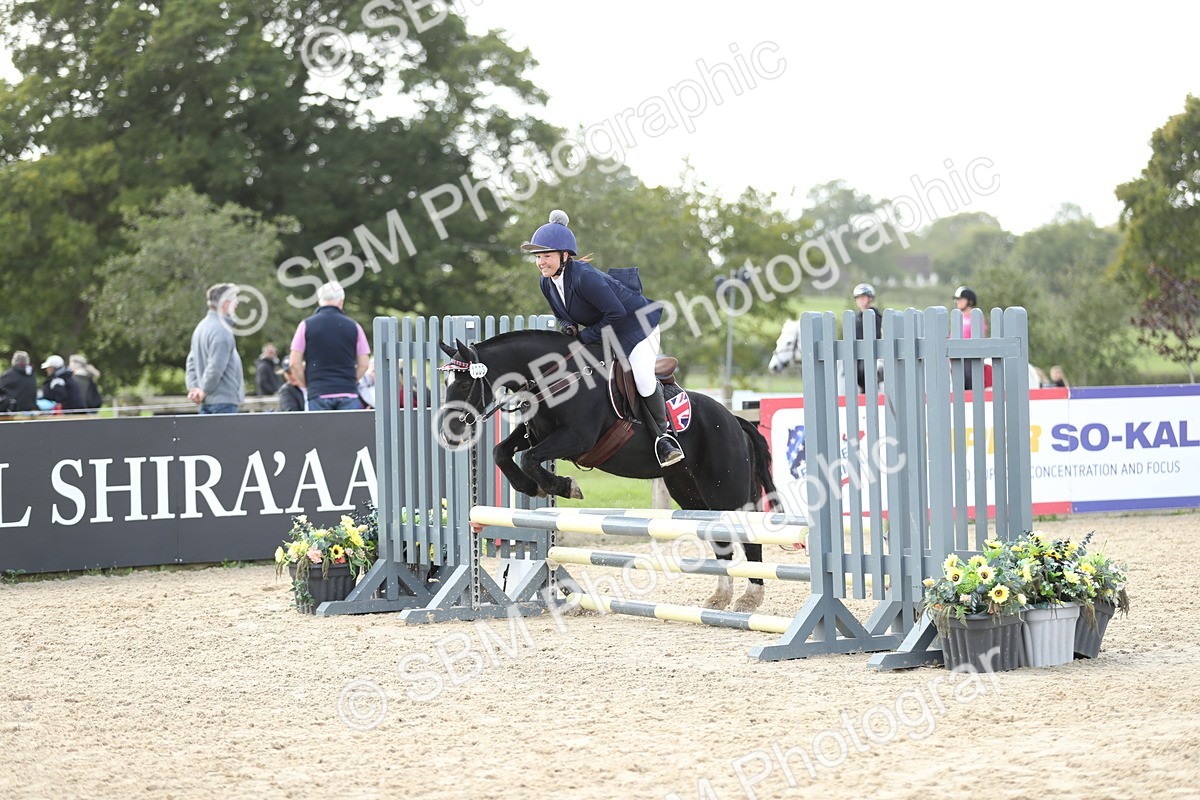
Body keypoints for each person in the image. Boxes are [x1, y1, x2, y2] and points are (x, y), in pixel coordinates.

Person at [521, 209, 683, 467]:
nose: (541, 262)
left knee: (641, 377)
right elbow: (562, 316)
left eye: (546, 256)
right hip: (607, 328)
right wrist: (570, 328)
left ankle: (664, 439)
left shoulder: (585, 277)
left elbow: (617, 313)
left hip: (638, 326)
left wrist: (586, 335)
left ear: (564, 256)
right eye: (538, 257)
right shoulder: (547, 282)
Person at [289, 281, 370, 411]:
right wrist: (349, 380)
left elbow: (294, 363)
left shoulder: (305, 326)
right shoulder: (355, 327)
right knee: (348, 432)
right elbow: (364, 364)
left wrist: (309, 384)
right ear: (341, 302)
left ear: (320, 301)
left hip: (318, 392)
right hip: (347, 392)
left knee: (320, 432)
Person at [185, 283, 245, 414]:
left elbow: (191, 363)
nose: (236, 304)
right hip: (223, 403)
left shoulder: (200, 328)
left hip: (208, 402)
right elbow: (215, 368)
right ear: (225, 304)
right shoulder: (222, 331)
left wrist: (194, 388)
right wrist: (204, 391)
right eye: (234, 300)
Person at [953, 286, 989, 391]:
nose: (957, 302)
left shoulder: (975, 317)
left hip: (970, 358)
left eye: (960, 299)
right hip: (956, 357)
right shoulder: (957, 318)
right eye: (957, 299)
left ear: (969, 301)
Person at [852, 283, 883, 393]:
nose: (860, 300)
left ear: (870, 299)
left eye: (862, 297)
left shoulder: (876, 316)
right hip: (857, 355)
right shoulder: (855, 318)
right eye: (858, 298)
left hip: (873, 353)